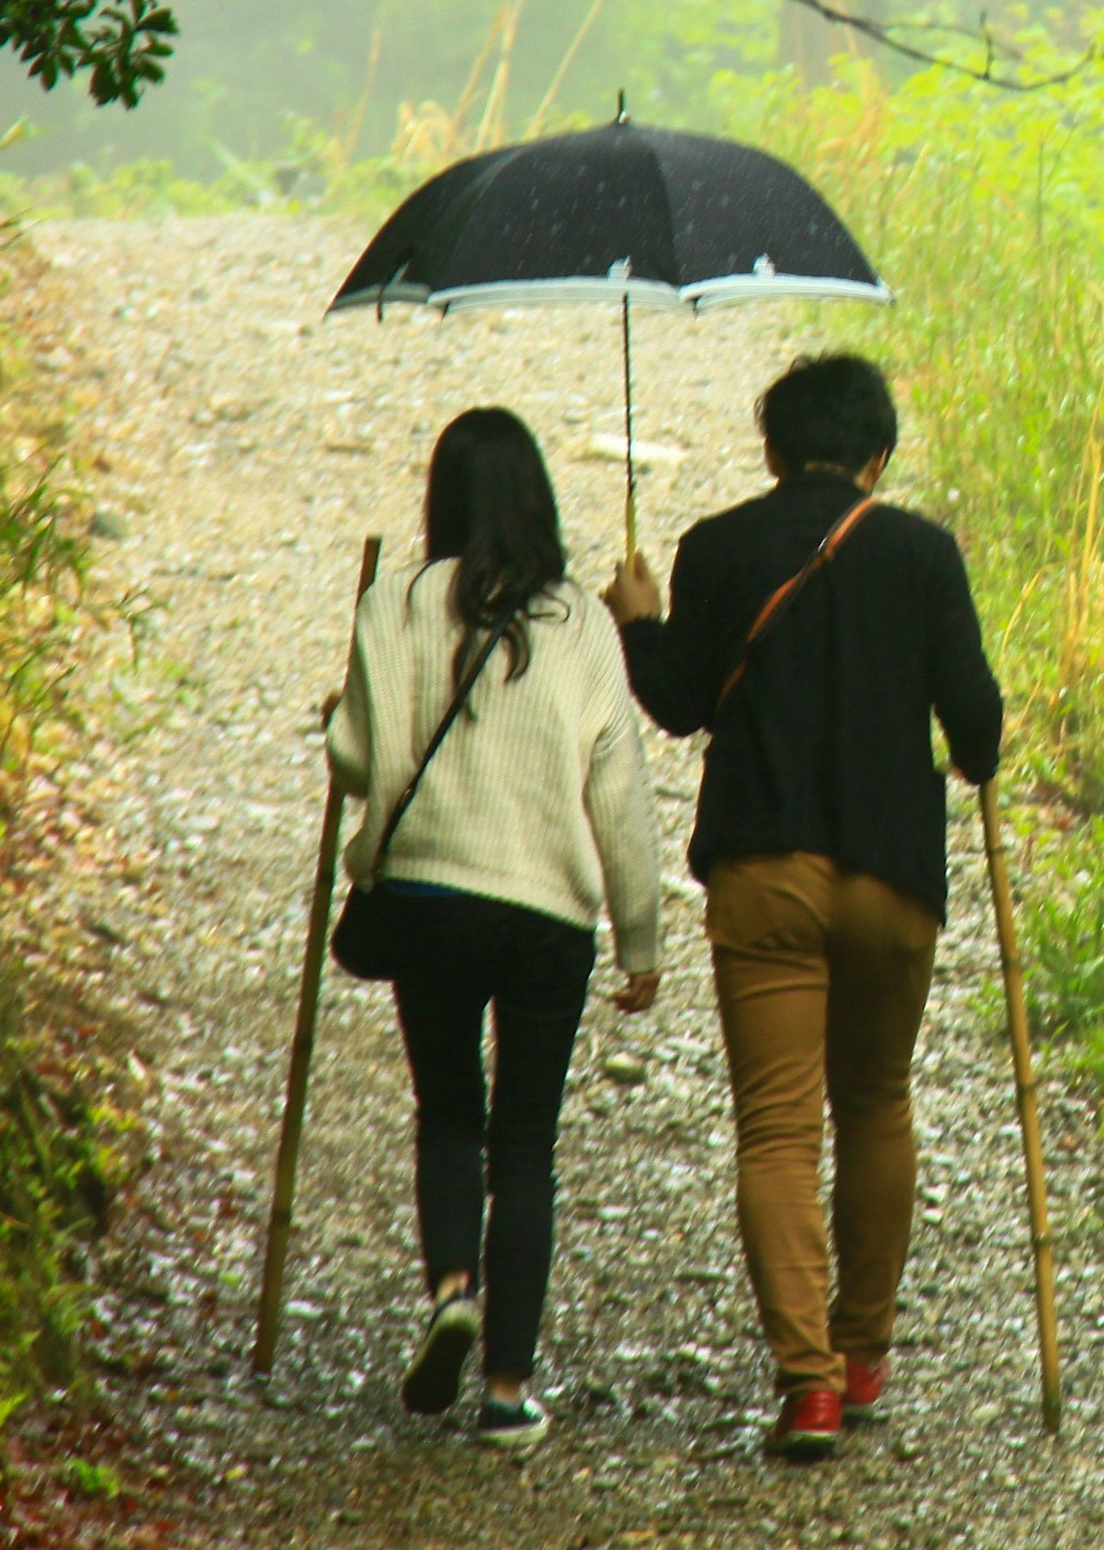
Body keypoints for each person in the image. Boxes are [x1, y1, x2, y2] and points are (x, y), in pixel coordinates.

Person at [608, 351, 1002, 1464]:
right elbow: (976, 730)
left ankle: (810, 1389)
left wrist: (638, 619)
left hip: (765, 868)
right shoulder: (925, 553)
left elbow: (681, 702)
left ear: (772, 451)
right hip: (890, 877)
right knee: (875, 1100)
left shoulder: (719, 545)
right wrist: (970, 738)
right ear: (879, 457)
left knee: (778, 1127)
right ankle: (865, 1350)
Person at [329, 406, 664, 1450]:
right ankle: (510, 1389)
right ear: (538, 503)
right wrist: (640, 939)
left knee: (447, 1111)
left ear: (442, 497)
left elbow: (353, 757)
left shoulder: (394, 601)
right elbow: (620, 794)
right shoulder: (582, 624)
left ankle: (451, 1290)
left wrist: (340, 717)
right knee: (526, 1140)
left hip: (427, 899)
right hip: (545, 917)